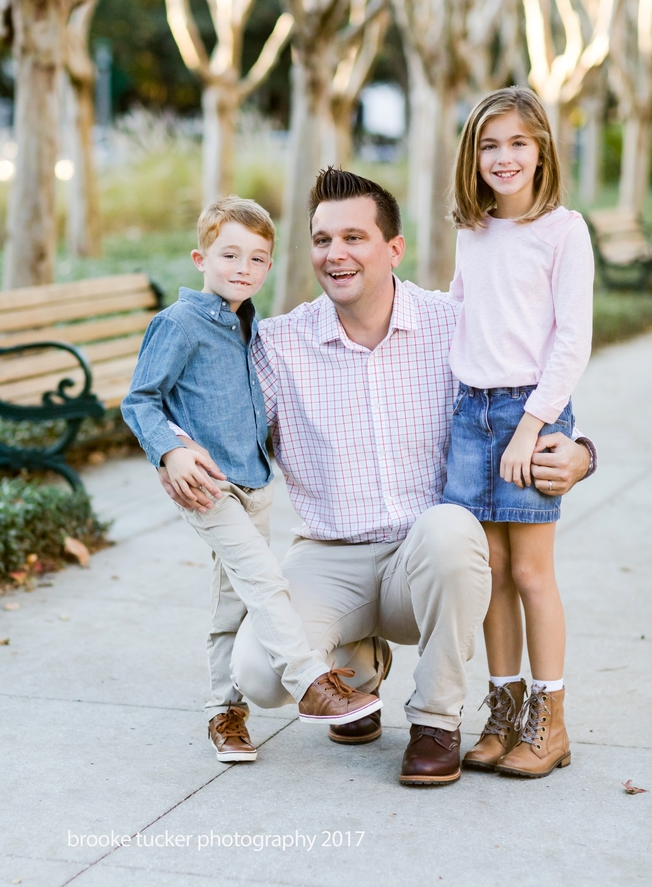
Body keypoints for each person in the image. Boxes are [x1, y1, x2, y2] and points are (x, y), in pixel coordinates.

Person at [160, 168, 595, 786]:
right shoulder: (280, 344)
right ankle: (359, 668)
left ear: (394, 249)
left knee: (454, 530)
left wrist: (580, 452)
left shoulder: (454, 326)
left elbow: (529, 382)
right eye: (321, 240)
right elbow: (220, 420)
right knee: (258, 673)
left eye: (354, 238)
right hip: (330, 555)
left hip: (425, 560)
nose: (335, 254)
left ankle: (436, 721)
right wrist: (173, 449)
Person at [121, 196, 381, 764]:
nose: (243, 268)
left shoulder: (250, 326)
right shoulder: (179, 323)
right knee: (265, 580)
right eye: (229, 254)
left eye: (258, 259)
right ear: (200, 257)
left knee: (232, 602)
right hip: (207, 485)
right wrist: (169, 452)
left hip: (254, 483)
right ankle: (310, 679)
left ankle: (225, 712)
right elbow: (139, 401)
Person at [443, 88, 594, 778]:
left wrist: (530, 429)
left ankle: (549, 721)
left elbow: (571, 344)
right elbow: (457, 314)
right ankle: (502, 714)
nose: (503, 158)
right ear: (472, 157)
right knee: (492, 574)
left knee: (532, 572)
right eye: (489, 145)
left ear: (542, 151)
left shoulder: (564, 231)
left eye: (518, 143)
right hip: (470, 414)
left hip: (527, 416)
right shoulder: (471, 232)